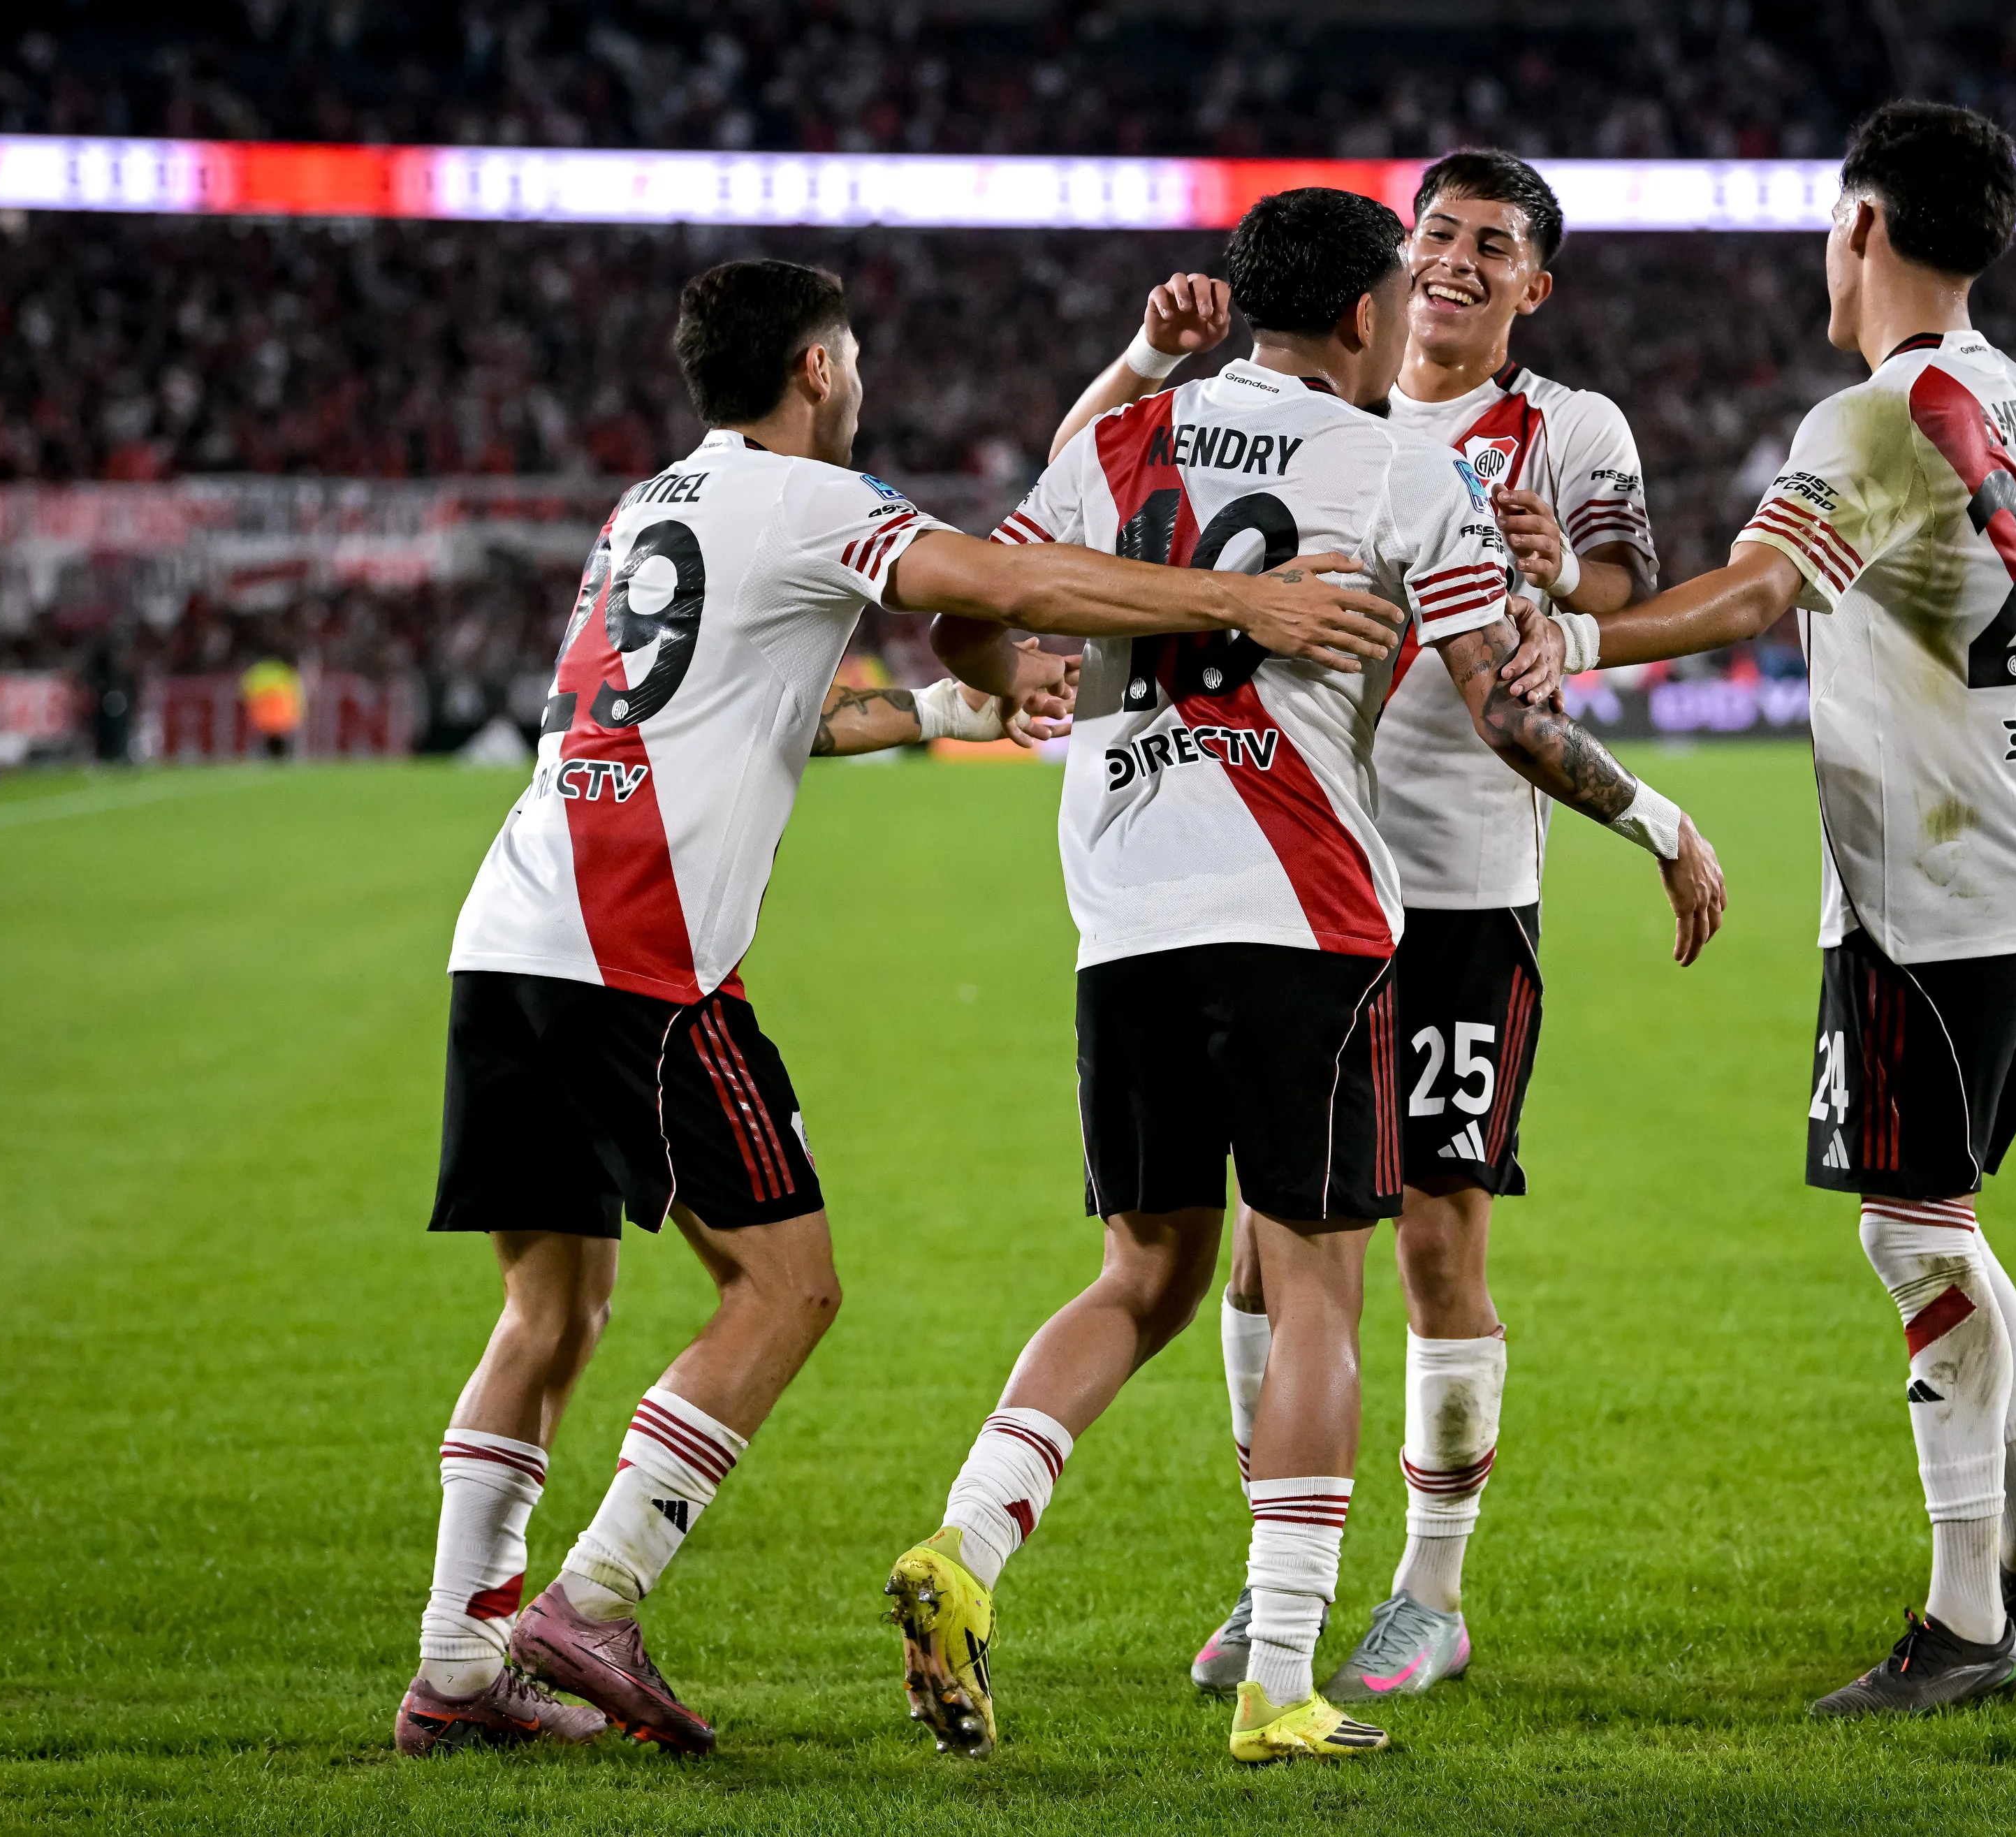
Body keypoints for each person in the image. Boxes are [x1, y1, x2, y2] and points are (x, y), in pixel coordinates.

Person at [395, 256, 1405, 1758]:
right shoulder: (816, 502)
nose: (856, 374)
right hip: (642, 955)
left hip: (513, 927)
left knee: (551, 1309)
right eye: (850, 351)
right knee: (786, 1289)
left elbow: (755, 706)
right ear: (815, 366)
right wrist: (1237, 597)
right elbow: (1003, 580)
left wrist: (947, 713)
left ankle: (455, 1673)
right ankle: (596, 1595)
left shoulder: (652, 506)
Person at [883, 186, 1725, 1767]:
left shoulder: (1118, 440)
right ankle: (1279, 1673)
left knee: (1147, 1273)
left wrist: (1021, 682)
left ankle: (966, 1550)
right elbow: (1505, 713)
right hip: (1303, 915)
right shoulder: (1402, 465)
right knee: (1324, 1277)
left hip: (1120, 913)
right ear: (1365, 318)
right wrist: (1660, 821)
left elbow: (956, 614)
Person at [1046, 147, 1660, 1706]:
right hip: (1296, 896)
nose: (1453, 259)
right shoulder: (1338, 422)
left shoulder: (1567, 428)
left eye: (1490, 243)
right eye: (1433, 234)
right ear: (1388, 283)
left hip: (1455, 885)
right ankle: (1276, 1592)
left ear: (1536, 281)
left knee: (1437, 1244)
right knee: (1264, 1263)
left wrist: (1555, 585)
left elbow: (1613, 582)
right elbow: (1087, 515)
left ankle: (1425, 1594)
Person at [1570, 101, 2016, 1715]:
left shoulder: (1867, 417)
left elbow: (1755, 590)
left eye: (1829, 222)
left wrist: (1574, 642)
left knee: (1908, 1229)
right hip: (2015, 866)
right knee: (1944, 1209)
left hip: (1924, 892)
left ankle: (1966, 1623)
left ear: (1863, 225)